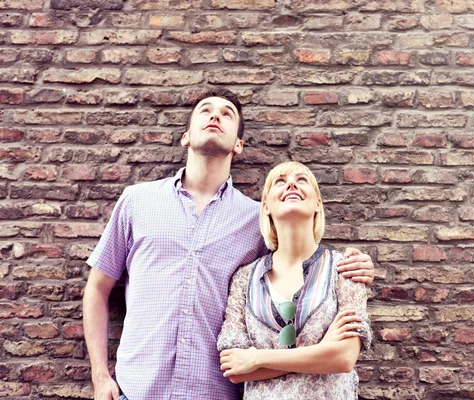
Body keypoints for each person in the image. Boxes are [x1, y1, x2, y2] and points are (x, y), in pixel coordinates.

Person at [83, 88, 375, 400]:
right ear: (186, 135)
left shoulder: (257, 220)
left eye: (227, 114)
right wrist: (100, 376)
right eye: (205, 110)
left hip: (213, 394)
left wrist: (355, 267)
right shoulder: (137, 202)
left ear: (238, 144)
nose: (215, 116)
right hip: (137, 390)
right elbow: (98, 289)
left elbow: (291, 275)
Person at [217, 161, 371, 399]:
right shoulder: (244, 278)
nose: (291, 184)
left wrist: (257, 358)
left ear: (318, 204)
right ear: (266, 206)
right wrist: (320, 353)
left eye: (302, 180)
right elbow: (234, 367)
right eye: (280, 181)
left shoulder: (345, 269)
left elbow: (343, 357)